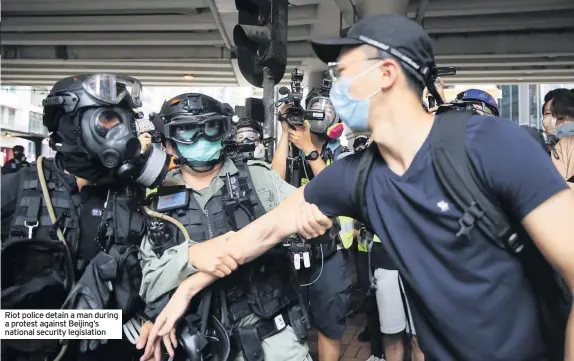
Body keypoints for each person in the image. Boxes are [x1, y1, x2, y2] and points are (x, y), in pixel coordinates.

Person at [174, 14, 574, 361]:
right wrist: (187, 286)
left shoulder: (490, 145)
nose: (333, 88)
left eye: (341, 74)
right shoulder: (357, 175)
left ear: (385, 73)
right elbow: (263, 232)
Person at [1, 73, 169, 361]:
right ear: (69, 124)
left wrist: (156, 318)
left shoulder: (138, 196)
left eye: (125, 120)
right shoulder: (16, 190)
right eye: (107, 120)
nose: (122, 132)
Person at [136, 92, 312, 361]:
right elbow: (150, 281)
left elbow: (309, 213)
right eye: (186, 130)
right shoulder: (158, 198)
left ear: (223, 131)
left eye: (209, 127)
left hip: (273, 341)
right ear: (169, 144)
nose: (200, 138)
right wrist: (191, 258)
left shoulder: (258, 177)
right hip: (203, 344)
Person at [272, 81, 353, 361]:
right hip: (289, 252)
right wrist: (285, 133)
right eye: (316, 108)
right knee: (290, 326)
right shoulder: (290, 150)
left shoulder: (341, 154)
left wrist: (310, 148)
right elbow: (273, 182)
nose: (322, 114)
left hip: (328, 253)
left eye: (328, 110)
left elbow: (335, 190)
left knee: (330, 326)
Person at [550, 89, 574, 189]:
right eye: (558, 118)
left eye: (560, 118)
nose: (557, 124)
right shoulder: (562, 146)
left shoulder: (564, 146)